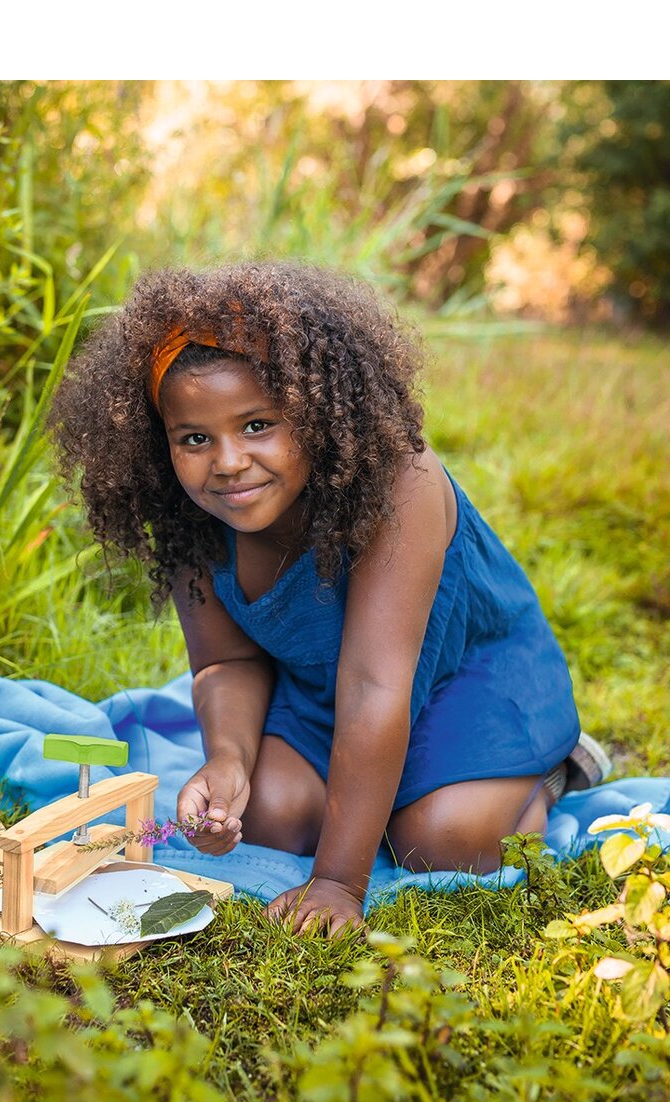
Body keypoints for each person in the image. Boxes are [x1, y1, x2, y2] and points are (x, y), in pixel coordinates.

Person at [48, 262, 609, 936]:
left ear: (315, 412)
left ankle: (551, 773)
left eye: (258, 425)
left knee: (439, 842)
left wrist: (339, 881)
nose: (226, 462)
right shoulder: (188, 512)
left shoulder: (400, 483)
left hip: (470, 677)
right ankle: (365, 802)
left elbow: (376, 685)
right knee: (269, 816)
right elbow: (226, 664)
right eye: (195, 438)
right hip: (325, 691)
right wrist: (228, 758)